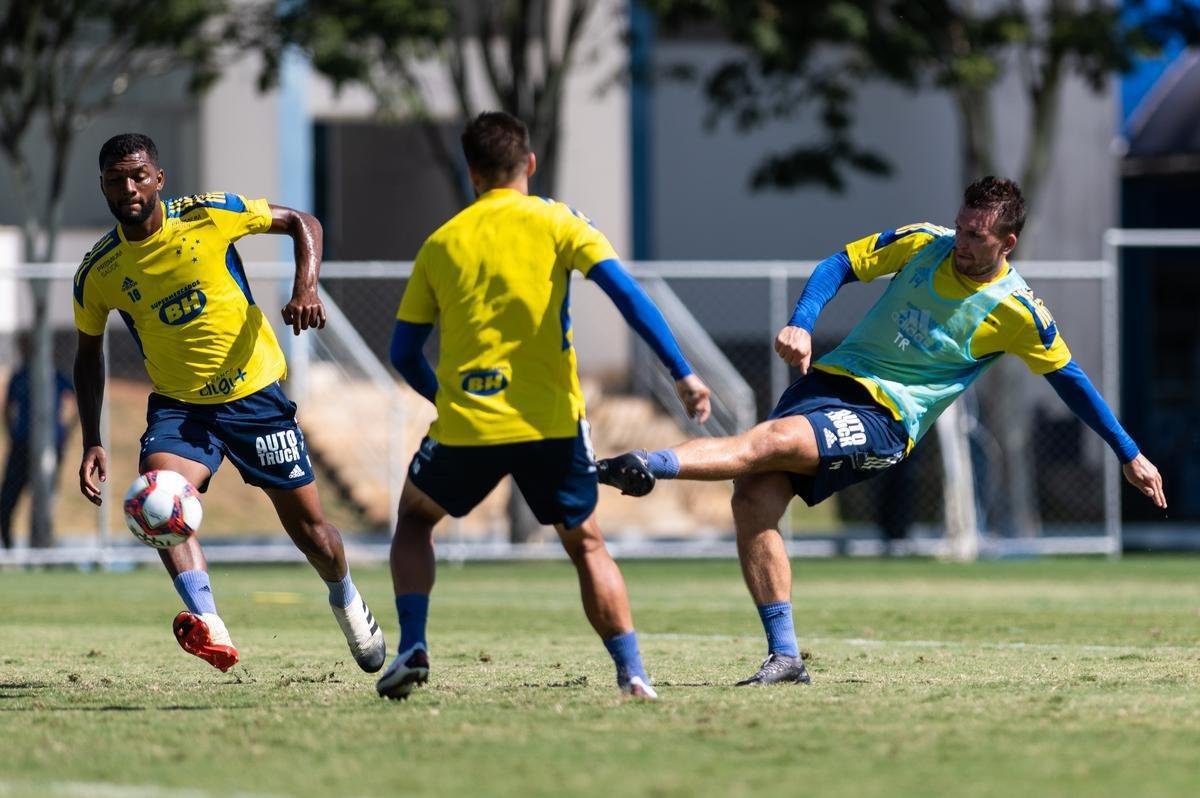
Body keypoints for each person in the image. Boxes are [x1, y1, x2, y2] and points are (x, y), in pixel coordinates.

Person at [598, 176, 1167, 686]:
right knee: (752, 500)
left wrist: (1128, 453)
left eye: (977, 235)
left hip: (886, 420)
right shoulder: (924, 242)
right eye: (963, 225)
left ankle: (648, 464)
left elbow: (1070, 380)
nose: (963, 240)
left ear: (1006, 244)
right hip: (828, 384)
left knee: (767, 444)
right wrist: (802, 321)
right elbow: (838, 264)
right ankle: (786, 657)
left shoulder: (1018, 311)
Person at [379, 111, 712, 700]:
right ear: (528, 163)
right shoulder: (561, 223)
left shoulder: (441, 242)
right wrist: (682, 374)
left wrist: (446, 399)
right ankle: (632, 672)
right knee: (585, 544)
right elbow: (628, 298)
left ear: (471, 171)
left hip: (468, 426)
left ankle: (413, 645)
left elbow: (403, 351)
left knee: (415, 521)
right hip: (552, 424)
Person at [73, 133, 386, 674]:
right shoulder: (98, 272)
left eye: (138, 176)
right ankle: (210, 625)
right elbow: (86, 356)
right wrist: (93, 439)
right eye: (115, 179)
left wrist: (306, 285)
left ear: (159, 179)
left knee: (313, 533)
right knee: (158, 501)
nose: (128, 187)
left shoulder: (208, 215)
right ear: (101, 185)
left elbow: (303, 222)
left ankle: (346, 598)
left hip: (254, 397)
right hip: (181, 408)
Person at [1, 333, 75, 549]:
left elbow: (75, 401)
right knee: (9, 496)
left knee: (45, 497)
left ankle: (42, 542)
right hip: (22, 443)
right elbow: (8, 407)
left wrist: (66, 431)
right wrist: (12, 432)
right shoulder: (20, 377)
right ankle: (7, 543)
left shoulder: (54, 376)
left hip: (51, 444)